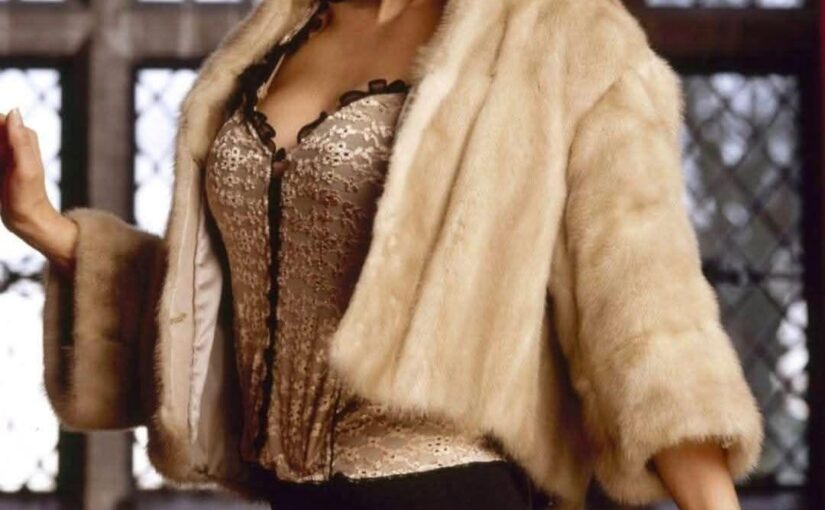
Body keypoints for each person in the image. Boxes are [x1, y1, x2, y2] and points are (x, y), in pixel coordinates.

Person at [0, 0, 764, 509]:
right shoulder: (274, 33)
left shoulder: (562, 36)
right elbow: (217, 298)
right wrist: (45, 226)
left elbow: (643, 311)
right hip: (289, 495)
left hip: (447, 488)